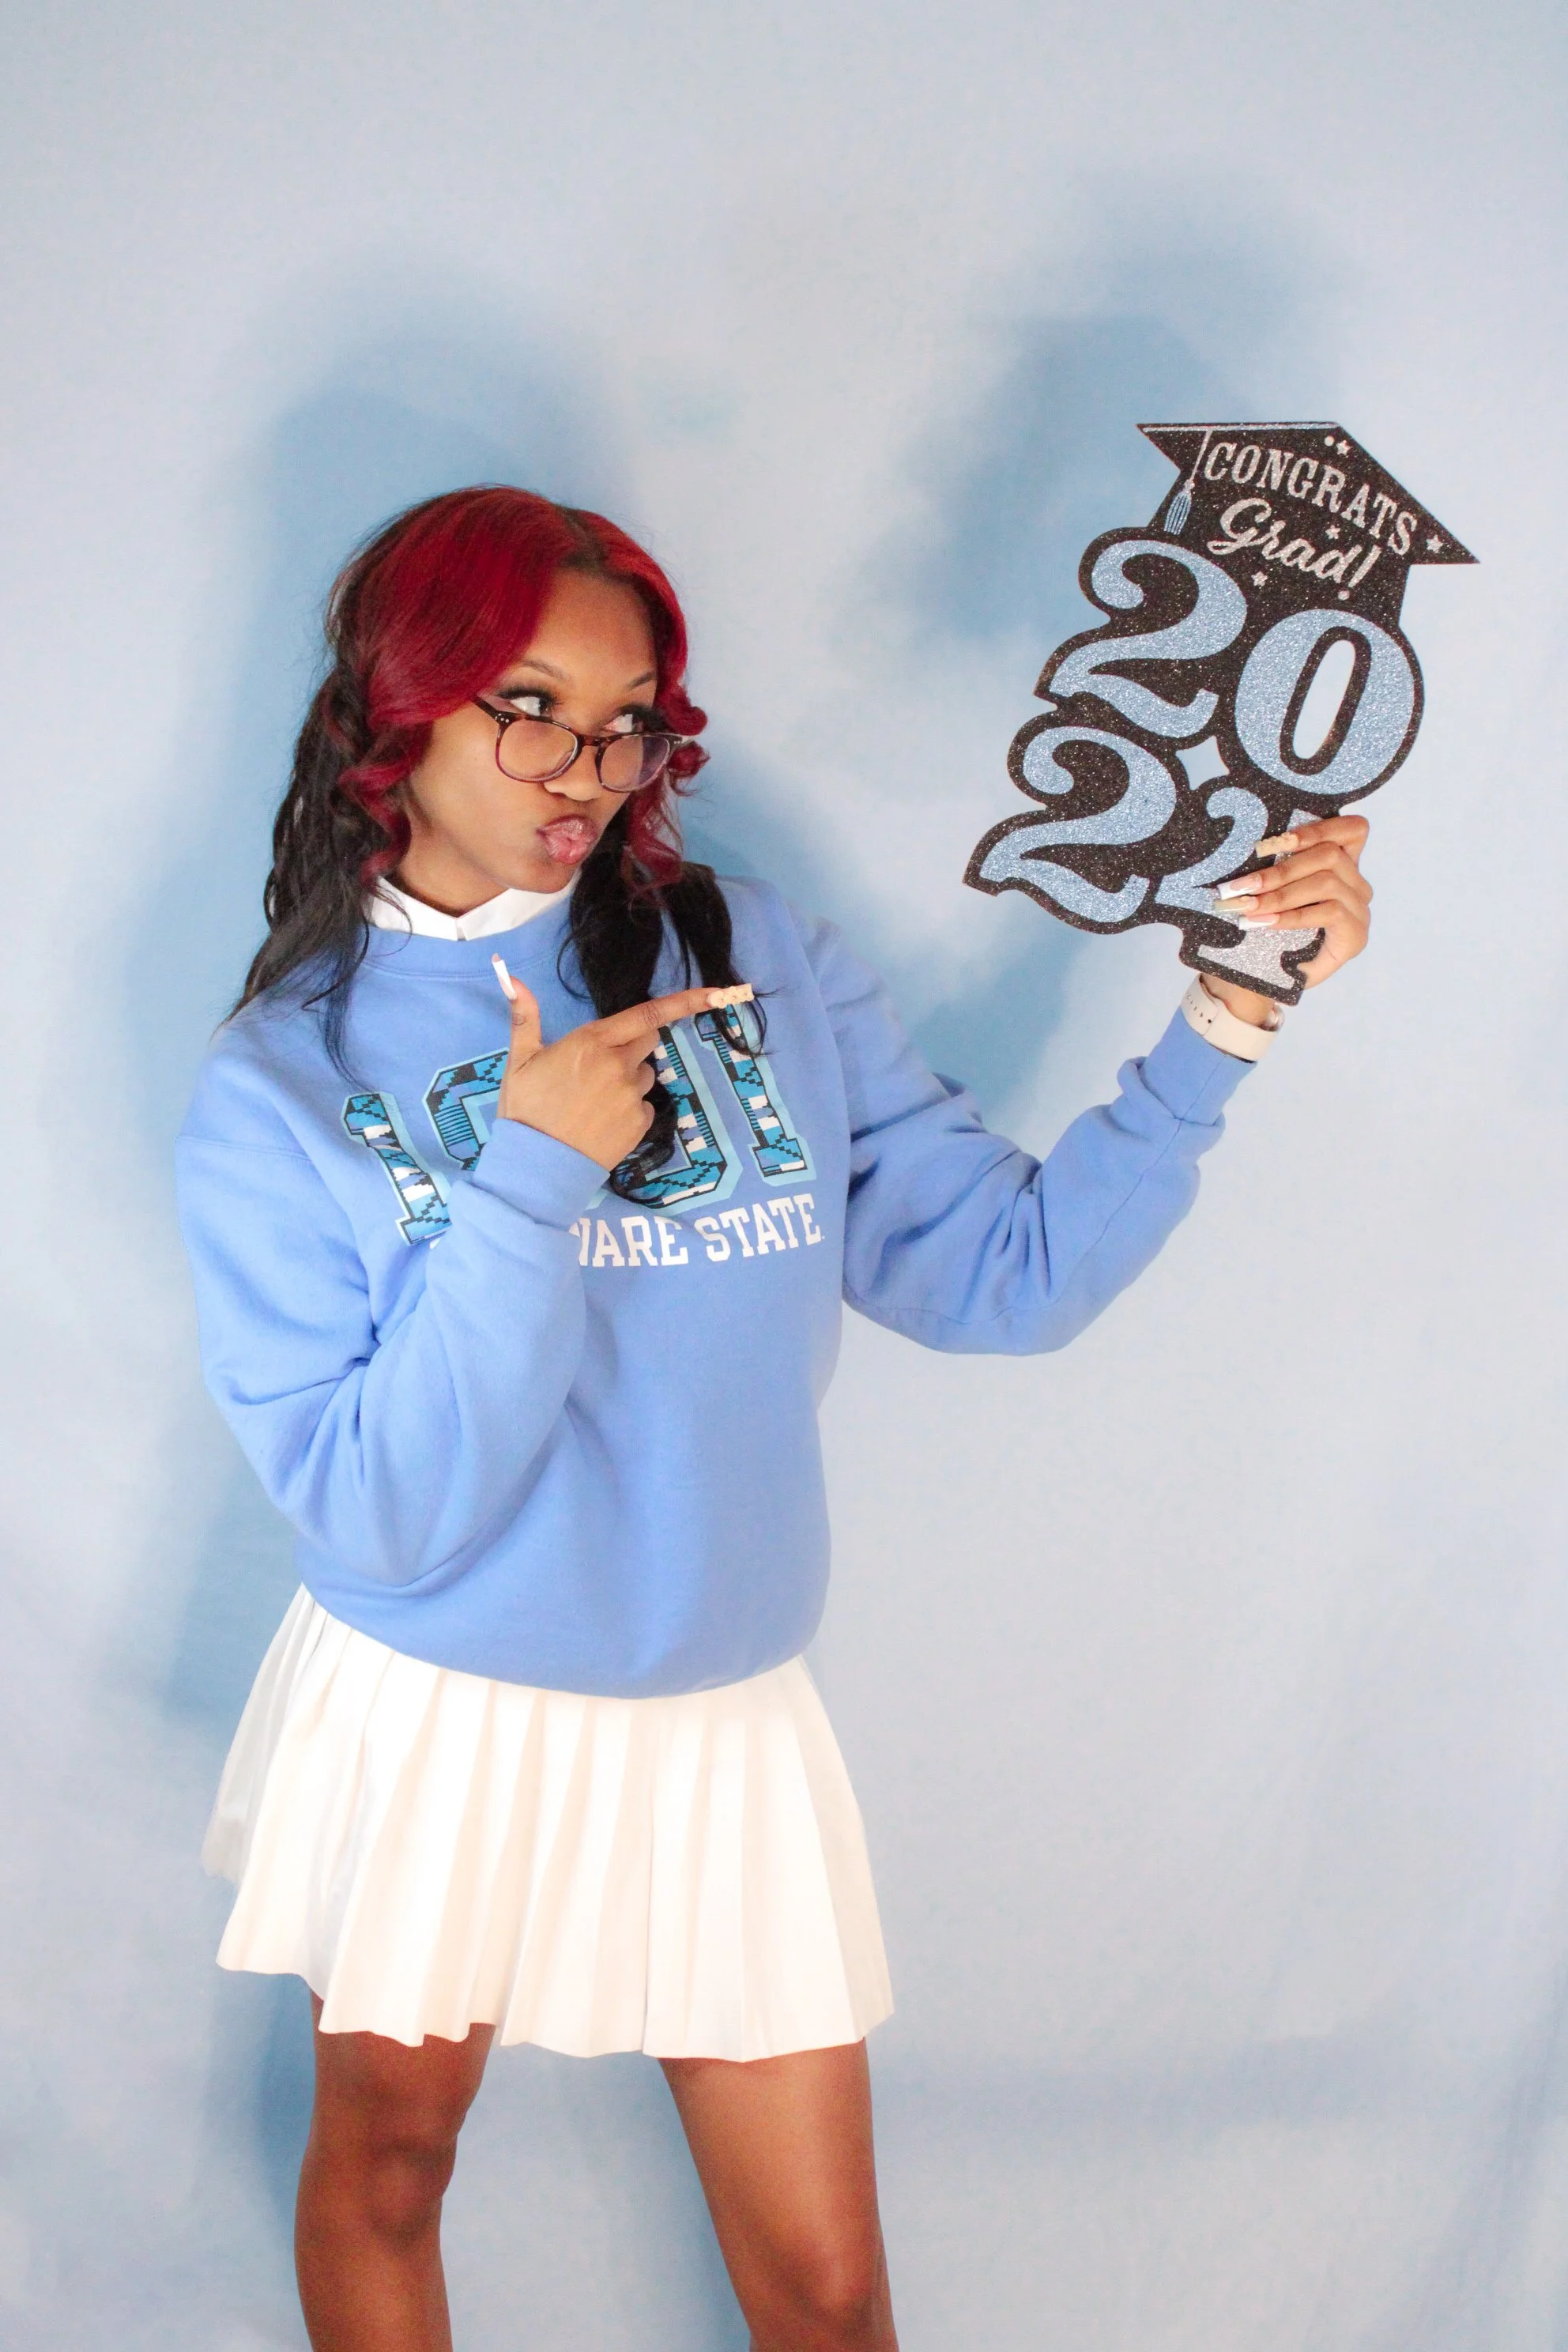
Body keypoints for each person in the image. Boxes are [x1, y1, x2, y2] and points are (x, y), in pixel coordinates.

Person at [177, 486, 1372, 2352]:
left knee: (822, 2293)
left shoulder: (745, 953)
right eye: (529, 704)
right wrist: (521, 1180)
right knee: (392, 2172)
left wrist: (1224, 1019)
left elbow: (1004, 1278)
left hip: (718, 1703)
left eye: (628, 714)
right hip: (445, 1704)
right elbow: (383, 1512)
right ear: (394, 713)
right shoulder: (285, 1082)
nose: (585, 764)